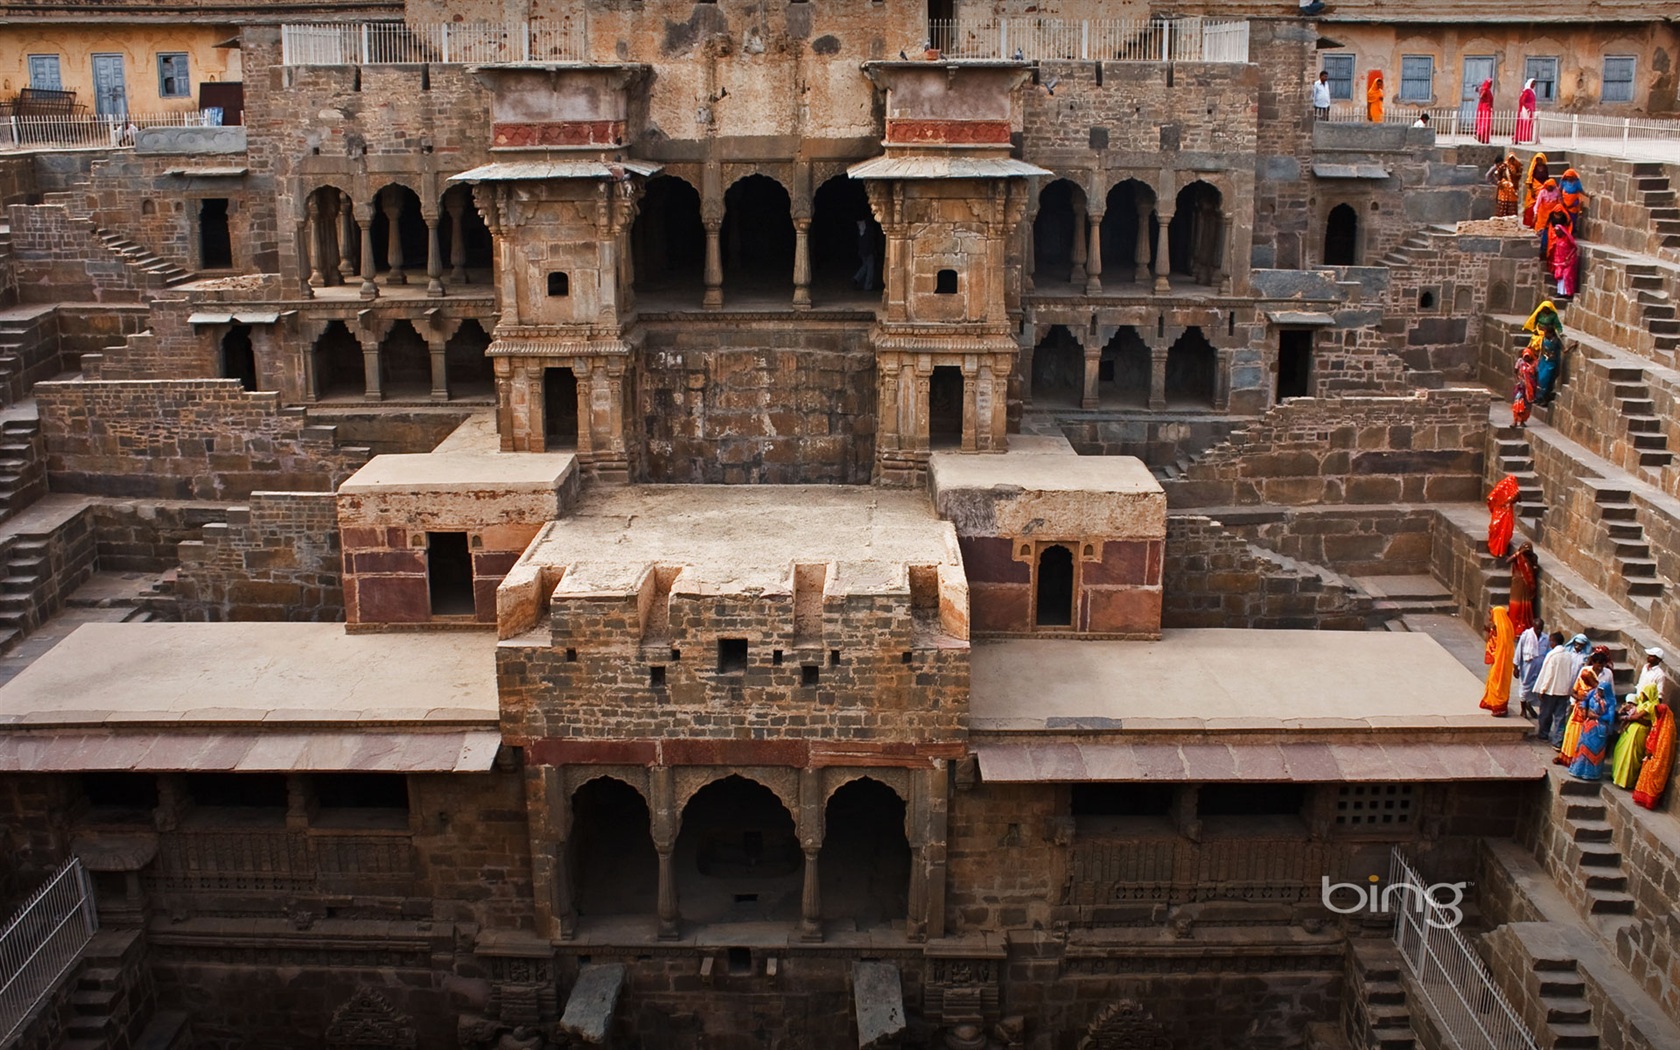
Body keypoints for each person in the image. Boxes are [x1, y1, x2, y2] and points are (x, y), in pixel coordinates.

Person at [1567, 650, 1617, 781]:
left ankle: (1592, 774)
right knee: (1583, 748)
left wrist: (1598, 717)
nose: (1599, 693)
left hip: (1600, 729)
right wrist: (1585, 710)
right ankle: (1577, 770)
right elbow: (1584, 700)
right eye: (1598, 690)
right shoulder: (1593, 694)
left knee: (1595, 752)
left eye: (1601, 691)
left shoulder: (1610, 702)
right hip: (1589, 726)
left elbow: (1610, 718)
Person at [1558, 646, 1612, 764]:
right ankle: (1568, 757)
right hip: (1580, 709)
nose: (1600, 667)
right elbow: (1573, 690)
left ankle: (1582, 761)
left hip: (1596, 711)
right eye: (1598, 664)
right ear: (1593, 662)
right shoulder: (1585, 672)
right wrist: (1577, 700)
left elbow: (1610, 692)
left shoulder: (1608, 674)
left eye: (1602, 665)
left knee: (1589, 737)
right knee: (1573, 733)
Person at [1612, 681, 1662, 789]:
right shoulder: (1643, 703)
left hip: (1640, 732)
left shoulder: (1652, 705)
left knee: (1632, 756)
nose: (1642, 695)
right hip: (1632, 729)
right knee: (1621, 751)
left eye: (1645, 693)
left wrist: (1626, 717)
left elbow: (1637, 717)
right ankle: (1617, 776)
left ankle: (1627, 781)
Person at [1632, 701, 1676, 809]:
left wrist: (1654, 755)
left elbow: (1664, 746)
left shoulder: (1668, 729)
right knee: (1645, 777)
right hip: (1651, 755)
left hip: (1659, 759)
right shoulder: (1658, 723)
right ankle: (1642, 799)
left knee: (1653, 779)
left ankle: (1650, 802)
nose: (1657, 715)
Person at [1533, 631, 1575, 742]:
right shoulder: (1568, 656)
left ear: (1553, 642)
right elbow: (1570, 673)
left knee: (1545, 715)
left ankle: (1543, 734)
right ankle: (1557, 740)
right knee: (1560, 717)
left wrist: (1543, 689)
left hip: (1550, 691)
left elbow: (1549, 674)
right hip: (1563, 691)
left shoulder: (1553, 656)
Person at [1479, 605, 1517, 717]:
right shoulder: (1501, 626)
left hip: (1502, 661)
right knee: (1493, 680)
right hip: (1499, 660)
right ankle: (1491, 702)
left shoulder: (1504, 629)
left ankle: (1499, 708)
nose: (1491, 617)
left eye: (1492, 615)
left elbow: (1502, 646)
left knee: (1498, 683)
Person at [1516, 615, 1550, 718]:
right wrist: (1515, 667)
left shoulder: (1546, 638)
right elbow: (1519, 651)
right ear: (1533, 626)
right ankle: (1523, 709)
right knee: (1525, 688)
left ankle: (1529, 705)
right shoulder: (1526, 636)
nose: (1539, 630)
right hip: (1527, 667)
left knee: (1535, 689)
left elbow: (1548, 652)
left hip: (1539, 667)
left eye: (1541, 628)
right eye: (1537, 628)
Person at [1508, 543, 1540, 637]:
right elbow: (1508, 561)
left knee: (1525, 607)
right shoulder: (1518, 557)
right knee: (1516, 606)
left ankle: (1523, 626)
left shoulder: (1532, 558)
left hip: (1527, 586)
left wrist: (1534, 568)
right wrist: (1519, 553)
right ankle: (1514, 626)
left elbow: (1534, 568)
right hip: (1517, 585)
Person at [1486, 474, 1520, 557]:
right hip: (1500, 510)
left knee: (1505, 529)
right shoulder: (1501, 487)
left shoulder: (1512, 489)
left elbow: (1517, 497)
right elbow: (1491, 498)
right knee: (1496, 528)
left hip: (1505, 511)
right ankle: (1496, 549)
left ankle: (1501, 550)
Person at [1547, 212, 1579, 298]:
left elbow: (1574, 248)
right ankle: (1560, 292)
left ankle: (1568, 293)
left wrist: (1569, 257)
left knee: (1567, 276)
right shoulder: (1558, 239)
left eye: (1557, 232)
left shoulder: (1567, 239)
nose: (1556, 233)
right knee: (1559, 276)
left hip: (1568, 261)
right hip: (1559, 261)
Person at [1535, 326, 1566, 404]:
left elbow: (1564, 350)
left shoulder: (1556, 341)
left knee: (1547, 380)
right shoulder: (1544, 339)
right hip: (1543, 362)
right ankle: (1539, 398)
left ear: (1551, 333)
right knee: (1540, 380)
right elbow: (1542, 350)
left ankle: (1545, 398)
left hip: (1551, 364)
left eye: (1547, 333)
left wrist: (1572, 346)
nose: (1545, 334)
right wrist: (1539, 360)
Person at [1488, 153, 1521, 218]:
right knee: (1503, 202)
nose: (1511, 161)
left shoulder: (1515, 167)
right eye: (1510, 159)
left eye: (1513, 159)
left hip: (1511, 189)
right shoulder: (1504, 166)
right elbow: (1497, 173)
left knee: (1512, 203)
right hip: (1504, 188)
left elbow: (1517, 176)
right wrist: (1499, 182)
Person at [1522, 153, 1550, 226]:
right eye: (1538, 160)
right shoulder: (1533, 167)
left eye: (1541, 160)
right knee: (1532, 205)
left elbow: (1547, 178)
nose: (1539, 161)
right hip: (1535, 188)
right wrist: (1531, 190)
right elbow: (1530, 179)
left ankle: (1540, 222)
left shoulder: (1545, 167)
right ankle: (1531, 223)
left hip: (1543, 187)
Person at [1512, 349, 1537, 428]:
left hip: (1530, 389)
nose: (1526, 358)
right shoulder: (1520, 362)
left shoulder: (1534, 364)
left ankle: (1522, 421)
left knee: (1527, 406)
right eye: (1525, 357)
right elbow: (1515, 370)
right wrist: (1519, 380)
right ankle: (1515, 421)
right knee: (1518, 403)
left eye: (1528, 357)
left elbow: (1536, 375)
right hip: (1521, 387)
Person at [852, 220, 877, 291]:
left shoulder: (861, 231)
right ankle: (867, 286)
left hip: (863, 252)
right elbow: (870, 242)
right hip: (868, 252)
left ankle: (856, 278)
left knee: (865, 266)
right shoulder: (867, 231)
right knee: (870, 269)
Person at [1514, 78, 1539, 145]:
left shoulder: (1532, 91)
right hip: (1525, 110)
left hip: (1531, 110)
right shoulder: (1527, 91)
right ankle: (1522, 137)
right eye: (1532, 83)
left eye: (1534, 84)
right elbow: (1522, 101)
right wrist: (1527, 107)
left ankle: (1527, 137)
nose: (1534, 85)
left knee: (1529, 124)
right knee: (1525, 123)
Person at [1474, 78, 1494, 144]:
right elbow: (1481, 96)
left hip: (1482, 107)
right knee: (1485, 123)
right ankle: (1480, 135)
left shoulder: (1483, 89)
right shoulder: (1486, 89)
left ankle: (1483, 138)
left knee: (1482, 121)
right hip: (1486, 108)